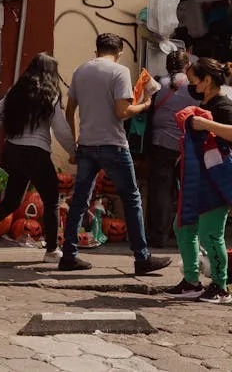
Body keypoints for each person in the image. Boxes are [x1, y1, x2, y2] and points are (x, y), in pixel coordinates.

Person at [61, 33, 171, 274]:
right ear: (119, 52)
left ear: (97, 50)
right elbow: (122, 111)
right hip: (113, 144)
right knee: (132, 199)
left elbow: (69, 111)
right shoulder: (119, 71)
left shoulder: (81, 70)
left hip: (87, 145)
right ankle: (141, 258)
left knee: (79, 200)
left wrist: (75, 141)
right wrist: (145, 104)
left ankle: (68, 254)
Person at [0, 53, 75, 263]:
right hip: (37, 153)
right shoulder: (51, 95)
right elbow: (61, 129)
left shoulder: (15, 92)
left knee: (11, 201)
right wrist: (73, 152)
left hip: (12, 151)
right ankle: (52, 250)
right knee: (51, 200)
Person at [163, 58, 232, 303]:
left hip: (216, 183)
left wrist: (205, 124)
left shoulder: (224, 106)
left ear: (207, 80)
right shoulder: (204, 105)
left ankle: (221, 287)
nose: (191, 86)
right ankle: (191, 282)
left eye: (193, 81)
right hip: (196, 181)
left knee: (210, 234)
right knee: (183, 227)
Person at [146, 50, 197, 248]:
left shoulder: (158, 83)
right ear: (187, 66)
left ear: (167, 66)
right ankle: (187, 235)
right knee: (188, 190)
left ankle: (159, 236)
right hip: (188, 144)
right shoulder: (194, 86)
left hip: (160, 144)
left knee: (161, 191)